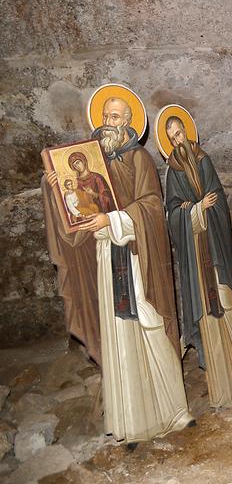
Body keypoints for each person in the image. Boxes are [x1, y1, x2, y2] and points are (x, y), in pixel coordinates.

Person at [42, 95, 193, 446]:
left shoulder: (139, 160)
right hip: (105, 257)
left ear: (130, 122)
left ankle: (172, 409)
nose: (109, 122)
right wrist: (56, 191)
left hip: (136, 257)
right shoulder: (93, 164)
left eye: (117, 116)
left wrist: (112, 218)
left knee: (151, 324)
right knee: (119, 337)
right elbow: (76, 219)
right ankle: (131, 418)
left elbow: (153, 208)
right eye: (106, 115)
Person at [164, 115, 232, 408]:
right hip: (195, 257)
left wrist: (204, 207)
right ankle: (221, 390)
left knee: (226, 305)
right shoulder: (172, 171)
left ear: (189, 132)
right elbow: (172, 213)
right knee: (207, 316)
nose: (178, 140)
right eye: (172, 138)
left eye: (180, 133)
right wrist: (194, 210)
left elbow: (218, 203)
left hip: (213, 254)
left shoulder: (204, 161)